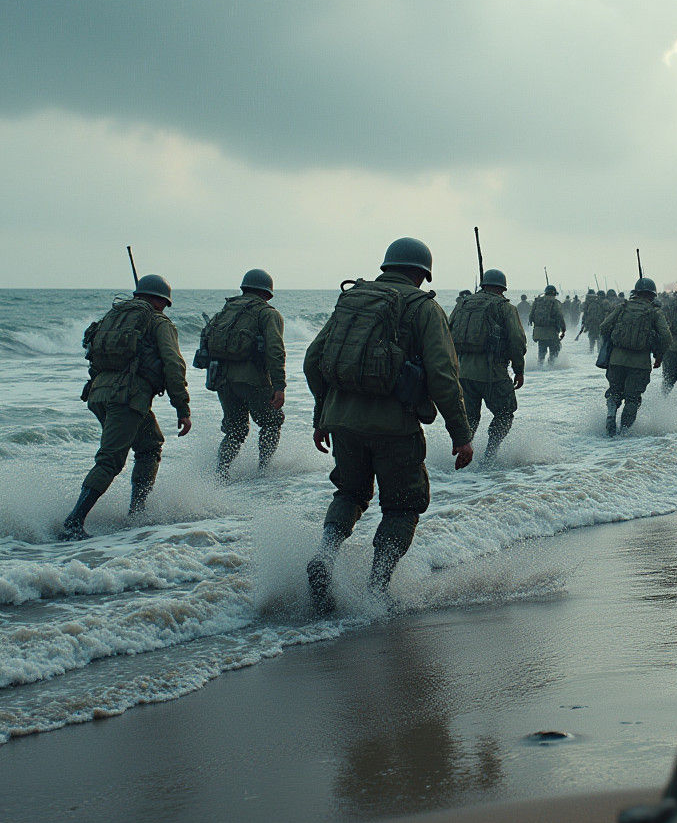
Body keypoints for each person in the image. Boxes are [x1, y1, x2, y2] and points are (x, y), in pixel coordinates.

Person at [302, 237, 473, 611]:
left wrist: (322, 417)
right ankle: (376, 590)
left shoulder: (353, 300)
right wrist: (460, 434)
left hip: (342, 422)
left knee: (349, 493)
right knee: (403, 506)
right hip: (395, 428)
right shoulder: (425, 309)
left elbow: (313, 360)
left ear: (386, 266)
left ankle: (325, 557)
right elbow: (443, 375)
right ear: (422, 274)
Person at [59, 274, 191, 540]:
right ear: (160, 301)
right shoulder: (158, 322)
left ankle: (137, 515)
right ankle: (73, 522)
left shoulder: (112, 318)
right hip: (128, 398)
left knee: (150, 445)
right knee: (110, 460)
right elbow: (173, 364)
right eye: (165, 304)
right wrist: (182, 407)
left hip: (99, 394)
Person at [201, 269, 286, 480]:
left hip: (222, 379)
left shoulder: (226, 310)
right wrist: (279, 386)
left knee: (235, 430)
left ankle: (221, 474)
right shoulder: (267, 313)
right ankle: (264, 471)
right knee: (271, 422)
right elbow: (275, 350)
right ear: (268, 293)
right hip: (252, 379)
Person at [448, 268, 527, 459]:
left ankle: (464, 455)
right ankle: (490, 456)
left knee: (469, 418)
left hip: (463, 373)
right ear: (502, 288)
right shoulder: (505, 307)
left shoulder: (463, 304)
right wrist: (519, 370)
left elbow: (447, 334)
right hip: (493, 374)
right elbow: (517, 340)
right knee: (505, 413)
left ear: (483, 285)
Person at [600, 277, 671, 436]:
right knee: (632, 399)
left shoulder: (622, 307)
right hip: (640, 363)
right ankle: (623, 434)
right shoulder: (654, 312)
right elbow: (666, 337)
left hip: (616, 360)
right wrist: (659, 356)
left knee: (614, 392)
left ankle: (611, 413)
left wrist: (616, 338)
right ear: (652, 294)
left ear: (636, 292)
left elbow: (604, 327)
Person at [529, 284, 566, 365]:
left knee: (541, 353)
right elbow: (560, 317)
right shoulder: (555, 303)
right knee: (554, 351)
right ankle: (550, 367)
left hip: (539, 333)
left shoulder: (537, 302)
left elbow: (531, 317)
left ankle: (539, 367)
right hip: (551, 332)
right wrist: (563, 330)